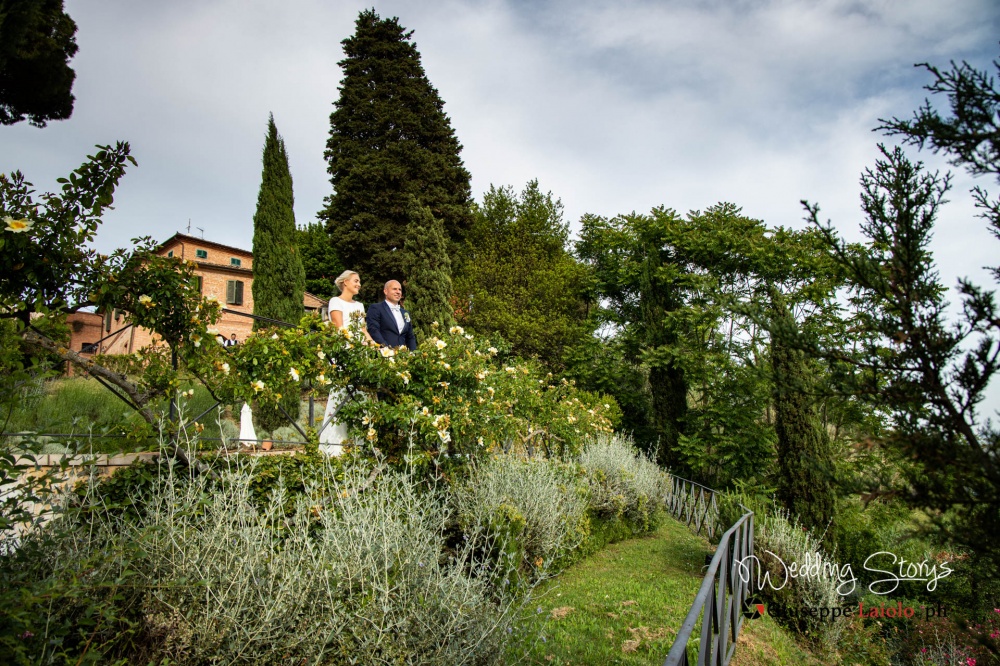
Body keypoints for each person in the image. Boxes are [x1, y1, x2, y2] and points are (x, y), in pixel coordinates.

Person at [320, 270, 375, 455]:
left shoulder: (359, 305)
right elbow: (339, 327)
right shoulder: (335, 302)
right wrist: (352, 348)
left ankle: (357, 443)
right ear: (345, 282)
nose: (359, 284)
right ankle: (335, 446)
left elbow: (362, 329)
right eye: (356, 281)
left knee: (359, 396)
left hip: (360, 354)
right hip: (345, 353)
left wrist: (374, 346)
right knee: (342, 395)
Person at [366, 279, 418, 351]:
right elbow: (374, 330)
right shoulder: (376, 308)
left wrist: (413, 354)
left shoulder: (405, 313)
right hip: (384, 355)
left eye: (400, 290)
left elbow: (410, 336)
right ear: (385, 291)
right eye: (394, 289)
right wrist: (387, 350)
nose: (398, 292)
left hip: (404, 356)